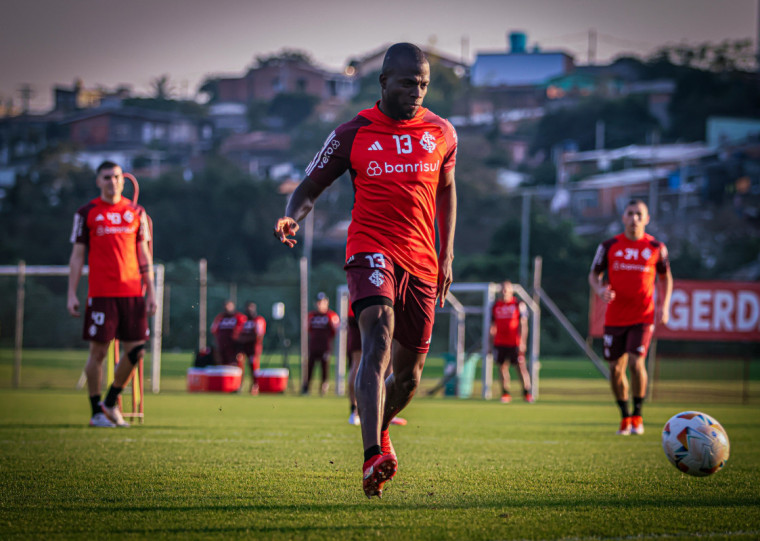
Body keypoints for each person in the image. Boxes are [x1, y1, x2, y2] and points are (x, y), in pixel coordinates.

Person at [274, 42, 457, 498]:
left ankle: (384, 430)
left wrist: (447, 254)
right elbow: (309, 187)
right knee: (377, 336)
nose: (416, 91)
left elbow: (448, 193)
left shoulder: (442, 133)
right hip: (370, 248)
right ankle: (372, 453)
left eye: (423, 84)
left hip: (423, 261)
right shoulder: (352, 133)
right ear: (383, 82)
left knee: (411, 375)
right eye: (407, 83)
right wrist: (291, 216)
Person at [67, 160, 156, 428]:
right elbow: (77, 256)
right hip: (101, 294)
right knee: (98, 354)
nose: (112, 181)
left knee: (137, 351)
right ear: (98, 181)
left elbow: (144, 255)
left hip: (132, 293)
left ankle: (111, 401)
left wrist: (150, 291)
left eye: (116, 176)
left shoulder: (137, 211)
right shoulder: (86, 213)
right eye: (106, 177)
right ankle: (96, 412)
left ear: (123, 179)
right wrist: (71, 293)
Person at [588, 199, 673, 436]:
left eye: (639, 214)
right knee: (615, 369)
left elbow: (666, 278)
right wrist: (600, 290)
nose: (634, 218)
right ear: (623, 218)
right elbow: (594, 275)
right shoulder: (609, 246)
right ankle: (625, 417)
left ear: (647, 219)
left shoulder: (656, 247)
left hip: (642, 316)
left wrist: (664, 305)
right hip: (614, 317)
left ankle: (638, 414)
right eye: (630, 213)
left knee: (636, 363)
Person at [490, 280, 533, 403]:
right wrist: (490, 343)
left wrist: (522, 342)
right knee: (502, 367)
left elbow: (523, 325)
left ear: (511, 291)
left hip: (515, 342)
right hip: (499, 342)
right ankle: (505, 393)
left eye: (506, 289)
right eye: (502, 289)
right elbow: (492, 326)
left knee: (520, 367)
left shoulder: (518, 304)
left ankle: (527, 393)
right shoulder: (496, 306)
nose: (504, 292)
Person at [303, 292, 340, 395]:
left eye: (322, 302)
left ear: (326, 302)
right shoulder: (311, 315)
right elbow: (308, 329)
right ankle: (306, 387)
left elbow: (335, 330)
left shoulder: (331, 315)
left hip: (325, 346)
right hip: (313, 345)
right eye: (318, 302)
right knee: (310, 366)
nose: (320, 304)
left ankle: (324, 387)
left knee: (324, 367)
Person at [236, 301, 267, 394]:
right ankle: (239, 385)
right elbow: (237, 333)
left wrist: (246, 338)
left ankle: (255, 386)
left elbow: (259, 334)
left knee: (253, 366)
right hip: (242, 346)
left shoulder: (258, 320)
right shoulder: (242, 320)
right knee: (239, 365)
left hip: (253, 347)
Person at [210, 300, 247, 367]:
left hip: (235, 346)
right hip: (222, 345)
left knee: (237, 364)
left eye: (229, 306)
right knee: (223, 364)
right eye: (225, 306)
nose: (227, 308)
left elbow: (244, 330)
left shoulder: (239, 317)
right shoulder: (220, 318)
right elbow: (214, 330)